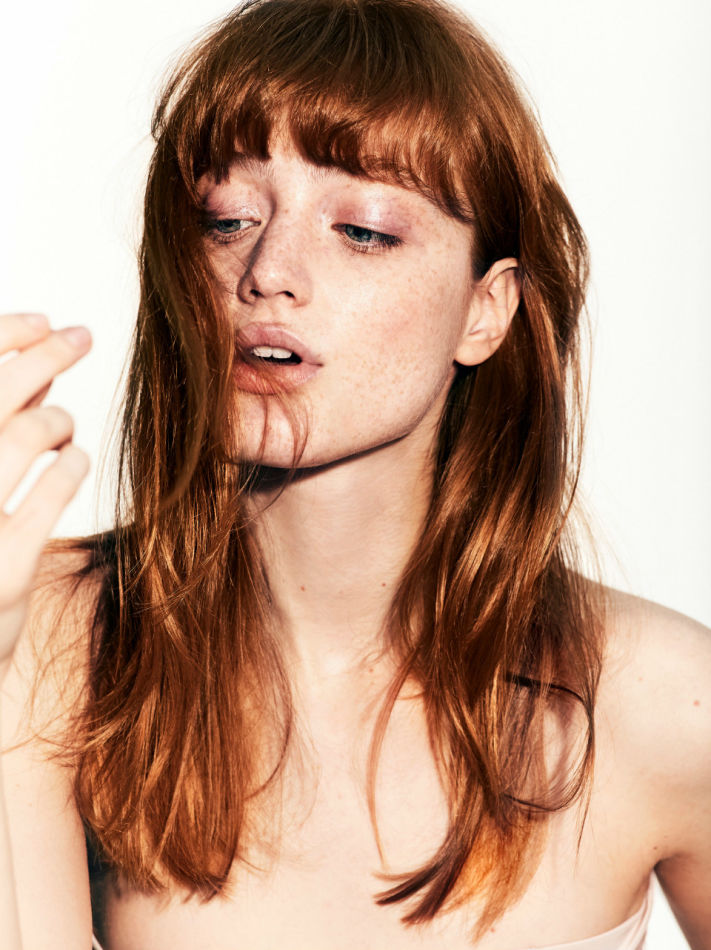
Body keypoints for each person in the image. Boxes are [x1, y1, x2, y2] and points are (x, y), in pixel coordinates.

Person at [1, 0, 709, 947]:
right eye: (226, 218)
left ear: (485, 311)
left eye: (365, 231)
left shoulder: (664, 702)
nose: (268, 270)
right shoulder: (51, 647)